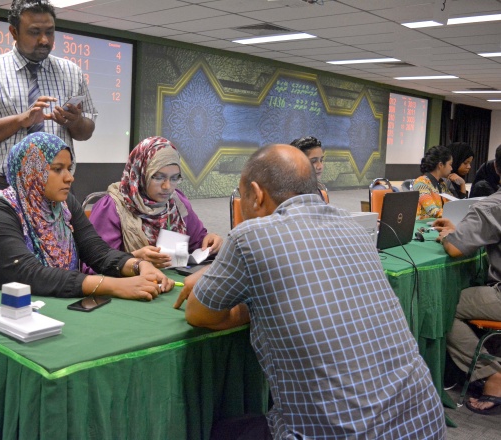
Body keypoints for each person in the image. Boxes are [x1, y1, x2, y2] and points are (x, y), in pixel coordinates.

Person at [174, 144, 445, 439]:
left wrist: (234, 299)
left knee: (217, 431)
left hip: (337, 433)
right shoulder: (354, 228)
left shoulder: (250, 237)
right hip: (424, 423)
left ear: (256, 193)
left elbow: (199, 314)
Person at [0, 132, 174, 300]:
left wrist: (139, 266)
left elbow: (98, 252)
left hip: (54, 304)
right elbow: (30, 274)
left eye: (69, 169)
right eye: (57, 169)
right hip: (1, 312)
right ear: (31, 170)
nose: (69, 178)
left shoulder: (64, 205)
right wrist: (115, 286)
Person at [0, 0, 97, 195]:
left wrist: (75, 121)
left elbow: (86, 131)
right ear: (14, 32)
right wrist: (21, 120)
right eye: (34, 32)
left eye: (49, 32)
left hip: (58, 188)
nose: (44, 40)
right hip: (5, 187)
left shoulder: (72, 72)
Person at [433, 145, 501, 415]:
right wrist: (460, 232)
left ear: (496, 168)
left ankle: (492, 374)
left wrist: (450, 237)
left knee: (444, 304)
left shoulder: (492, 205)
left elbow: (454, 249)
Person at [89, 137, 223, 268]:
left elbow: (197, 242)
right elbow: (94, 264)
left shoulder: (176, 202)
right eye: (158, 177)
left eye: (174, 178)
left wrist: (209, 241)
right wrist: (134, 260)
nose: (167, 187)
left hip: (173, 279)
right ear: (141, 173)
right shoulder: (112, 208)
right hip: (130, 282)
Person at [414, 145, 454, 219]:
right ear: (440, 165)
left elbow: (454, 205)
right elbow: (432, 211)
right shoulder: (421, 182)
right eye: (450, 164)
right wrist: (454, 215)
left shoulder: (442, 184)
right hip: (423, 224)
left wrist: (462, 184)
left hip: (438, 223)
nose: (451, 168)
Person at [289, 135, 329, 202]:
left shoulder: (322, 193)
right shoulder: (283, 195)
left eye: (321, 160)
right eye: (313, 161)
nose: (320, 166)